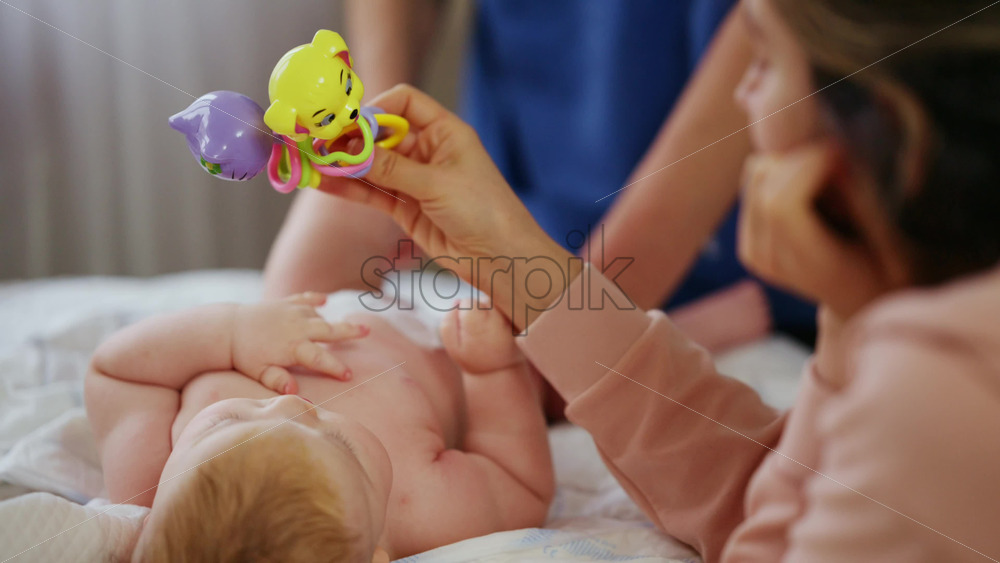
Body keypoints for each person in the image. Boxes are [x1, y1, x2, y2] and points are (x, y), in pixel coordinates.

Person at [310, 0, 1000, 559]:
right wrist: (515, 255)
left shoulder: (936, 390)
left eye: (759, 59)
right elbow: (768, 491)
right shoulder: (920, 352)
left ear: (888, 132)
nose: (740, 93)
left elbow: (768, 536)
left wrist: (849, 320)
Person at [263, 0, 816, 352]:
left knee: (561, 360)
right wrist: (361, 150)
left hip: (734, 249)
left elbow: (774, 38)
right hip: (530, 252)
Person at [85, 292, 553, 561]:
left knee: (351, 165)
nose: (291, 405)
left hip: (310, 295)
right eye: (338, 442)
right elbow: (520, 482)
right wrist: (493, 372)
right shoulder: (423, 511)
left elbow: (114, 372)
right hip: (452, 338)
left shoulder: (148, 481)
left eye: (226, 420)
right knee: (567, 312)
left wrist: (231, 333)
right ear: (377, 554)